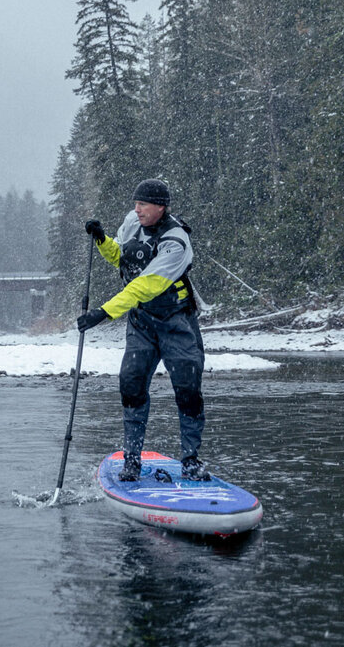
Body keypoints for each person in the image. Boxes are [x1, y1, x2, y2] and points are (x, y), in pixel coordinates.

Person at [76, 178, 209, 482]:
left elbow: (146, 284)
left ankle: (190, 459)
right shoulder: (131, 222)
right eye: (135, 203)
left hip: (177, 321)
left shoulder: (176, 242)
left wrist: (104, 312)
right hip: (142, 324)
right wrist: (102, 240)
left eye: (143, 205)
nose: (136, 210)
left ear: (161, 207)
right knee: (131, 386)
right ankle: (132, 460)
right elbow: (123, 260)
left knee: (188, 390)